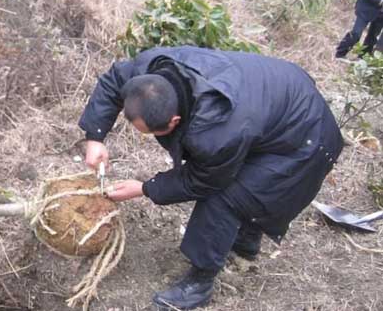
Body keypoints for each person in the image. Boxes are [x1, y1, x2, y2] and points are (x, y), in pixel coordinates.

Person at [79, 46, 343, 310]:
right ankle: (244, 242)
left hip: (308, 139)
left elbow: (203, 180)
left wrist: (146, 188)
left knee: (229, 196)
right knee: (240, 176)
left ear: (174, 120)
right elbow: (114, 80)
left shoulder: (216, 132)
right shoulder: (150, 72)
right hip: (273, 104)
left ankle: (199, 284)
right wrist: (95, 137)